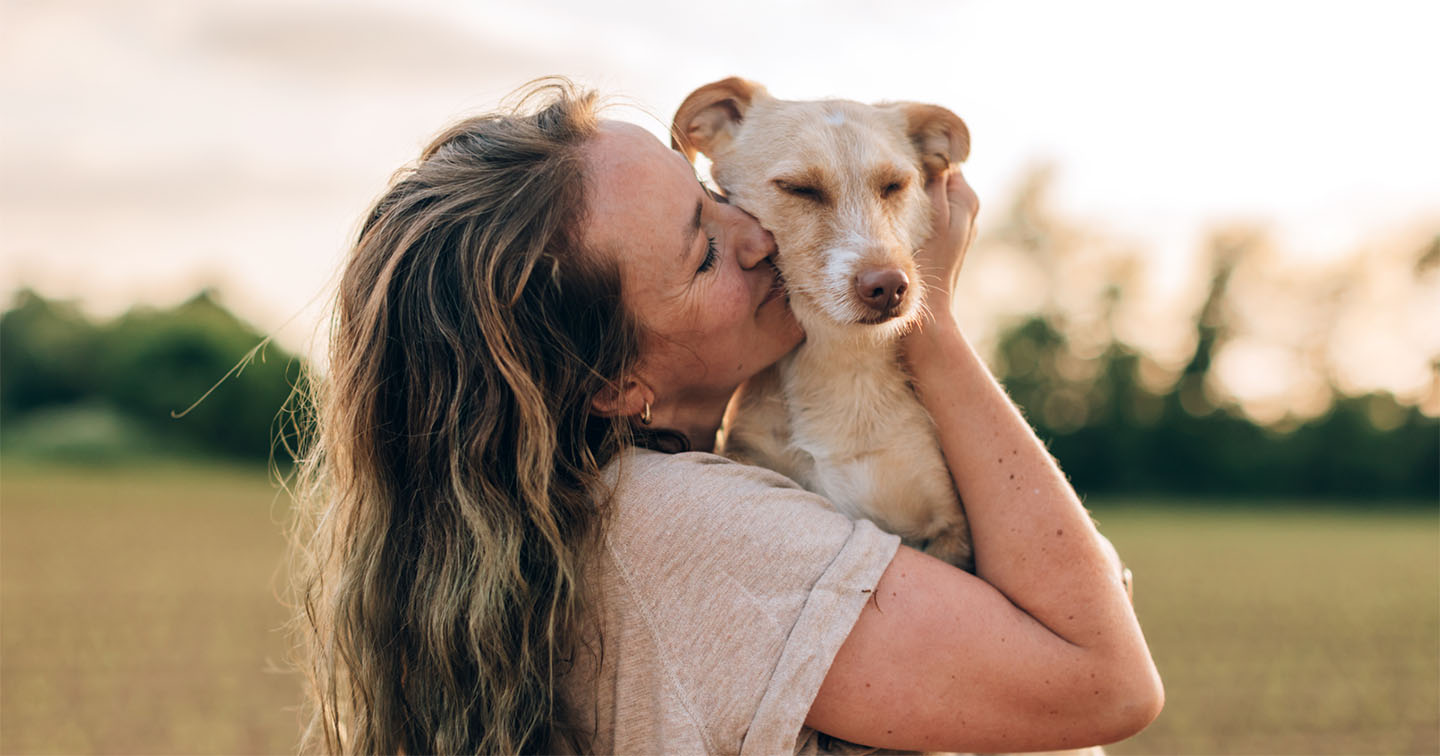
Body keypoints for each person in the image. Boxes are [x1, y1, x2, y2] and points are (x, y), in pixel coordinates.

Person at [291, 79, 1163, 755]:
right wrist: (933, 328)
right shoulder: (691, 526)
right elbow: (1106, 681)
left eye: (715, 200)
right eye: (705, 249)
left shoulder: (584, 503)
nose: (756, 239)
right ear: (613, 382)